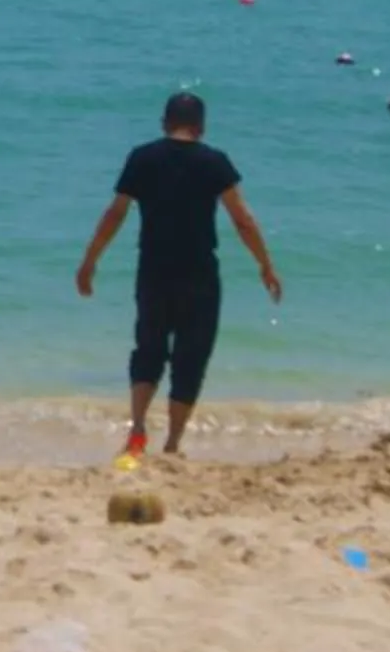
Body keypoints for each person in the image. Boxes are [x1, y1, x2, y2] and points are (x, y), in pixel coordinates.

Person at [75, 90, 283, 461]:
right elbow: (242, 219)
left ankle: (137, 429)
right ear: (201, 127)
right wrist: (265, 264)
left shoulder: (142, 158)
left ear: (164, 123)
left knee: (149, 348)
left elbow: (115, 213)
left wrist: (90, 260)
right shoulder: (214, 162)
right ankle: (172, 443)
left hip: (153, 269)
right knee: (192, 355)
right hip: (199, 272)